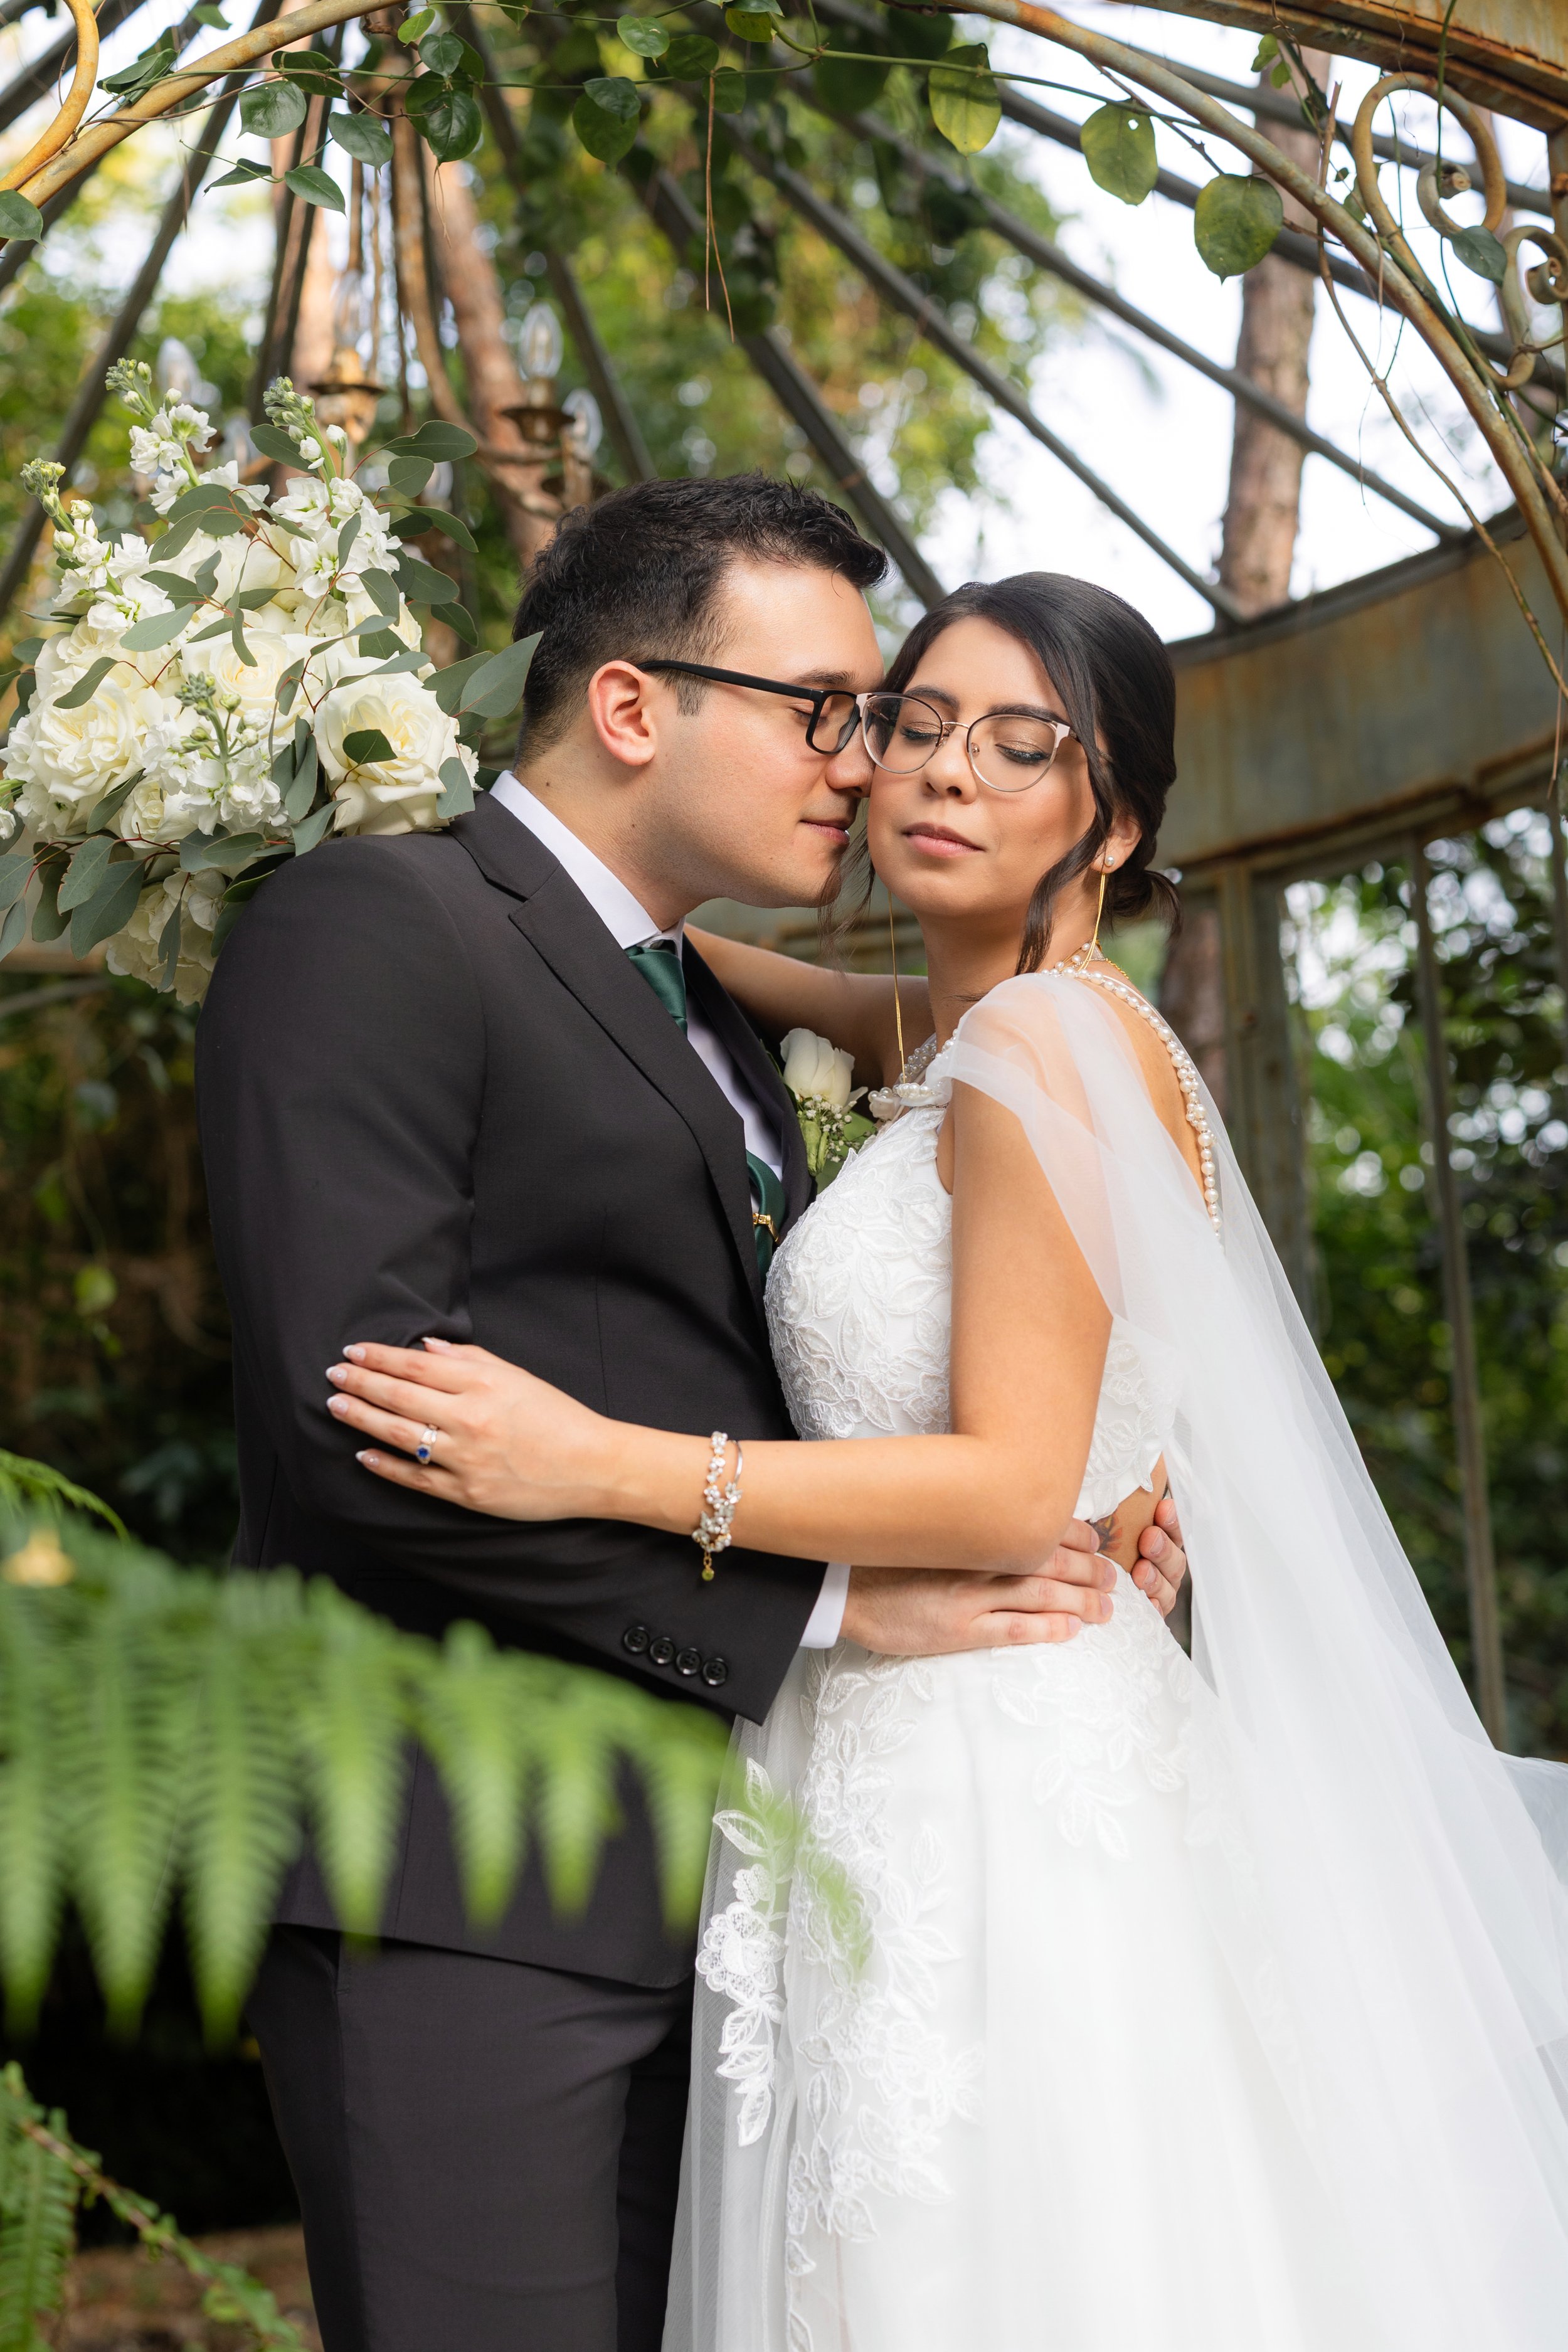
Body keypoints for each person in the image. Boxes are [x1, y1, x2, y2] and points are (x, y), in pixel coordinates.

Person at [331, 571, 1568, 2350]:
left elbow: (1002, 1487)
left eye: (1017, 746)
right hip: (929, 1733)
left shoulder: (1039, 1042)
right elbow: (648, 963)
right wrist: (354, 813)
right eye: (910, 727)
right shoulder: (961, 1038)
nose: (940, 774)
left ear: (1113, 817)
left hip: (985, 1766)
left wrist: (601, 1461)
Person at [195, 486, 1189, 2352]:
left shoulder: (731, 1021)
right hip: (474, 1888)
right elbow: (364, 1432)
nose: (872, 765)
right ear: (638, 707)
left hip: (776, 1897)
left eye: (888, 718)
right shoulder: (376, 927)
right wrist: (821, 1609)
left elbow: (1027, 1288)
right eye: (836, 710)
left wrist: (1129, 1474)